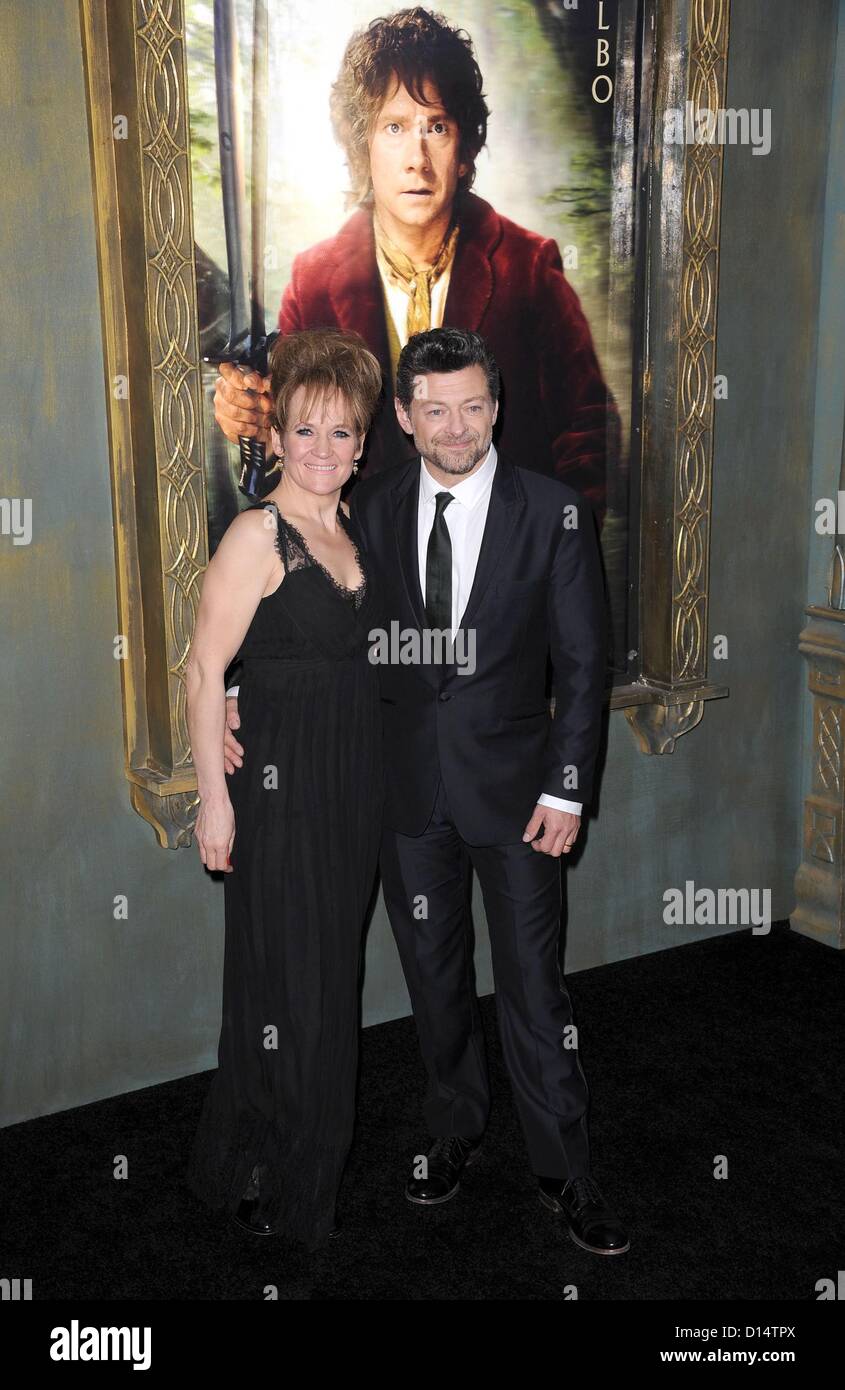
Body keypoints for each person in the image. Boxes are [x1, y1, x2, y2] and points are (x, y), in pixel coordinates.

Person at [224, 327, 630, 1256]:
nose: (458, 428)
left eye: (475, 406)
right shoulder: (364, 505)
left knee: (534, 990)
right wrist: (245, 687)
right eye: (435, 410)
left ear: (497, 407)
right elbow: (312, 612)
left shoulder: (553, 512)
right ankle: (453, 1131)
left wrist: (567, 791)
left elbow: (582, 660)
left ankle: (565, 1170)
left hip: (521, 801)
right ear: (402, 419)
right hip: (400, 797)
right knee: (434, 984)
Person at [213, 6, 619, 524]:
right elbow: (296, 459)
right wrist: (257, 431)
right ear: (364, 146)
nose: (417, 159)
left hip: (503, 584)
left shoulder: (530, 267)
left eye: (437, 127)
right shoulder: (313, 280)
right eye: (395, 127)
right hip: (367, 583)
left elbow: (589, 434)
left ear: (466, 147)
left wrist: (544, 559)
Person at [184, 327, 384, 1250]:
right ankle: (291, 1181)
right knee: (291, 990)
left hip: (350, 796)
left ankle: (263, 1157)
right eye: (306, 431)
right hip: (274, 799)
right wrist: (214, 801)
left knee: (318, 983)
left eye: (341, 434)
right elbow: (201, 670)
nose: (322, 451)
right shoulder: (256, 532)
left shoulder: (349, 532)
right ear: (281, 432)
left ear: (363, 443)